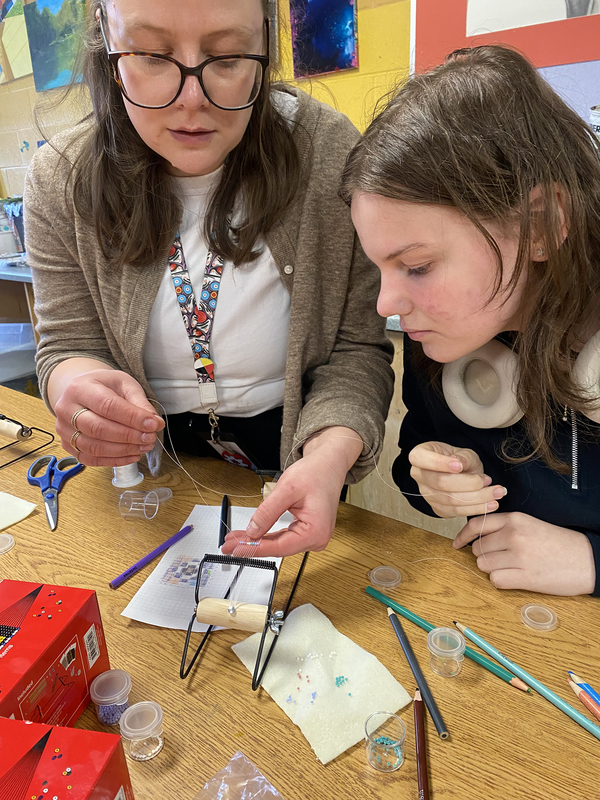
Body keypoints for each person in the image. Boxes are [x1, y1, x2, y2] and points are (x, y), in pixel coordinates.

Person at [25, 0, 393, 558]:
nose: (190, 99)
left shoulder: (330, 154)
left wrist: (327, 456)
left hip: (296, 444)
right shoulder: (61, 178)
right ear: (107, 41)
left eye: (226, 57)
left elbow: (356, 348)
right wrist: (76, 390)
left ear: (266, 44)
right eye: (152, 55)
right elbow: (68, 344)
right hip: (148, 464)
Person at [340, 45, 600, 596]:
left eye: (416, 266)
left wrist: (592, 561)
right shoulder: (444, 334)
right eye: (380, 267)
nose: (388, 302)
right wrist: (430, 474)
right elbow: (419, 449)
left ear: (540, 225)